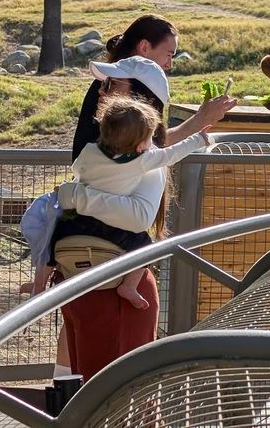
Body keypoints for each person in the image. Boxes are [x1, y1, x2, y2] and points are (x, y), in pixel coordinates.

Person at [53, 55, 182, 382]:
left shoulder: (147, 163)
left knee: (115, 401)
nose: (101, 90)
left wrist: (76, 197)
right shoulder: (103, 154)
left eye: (112, 84)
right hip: (87, 284)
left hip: (113, 295)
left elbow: (138, 217)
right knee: (93, 395)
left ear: (140, 100)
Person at [55, 92, 210, 308]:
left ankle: (40, 281)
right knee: (144, 246)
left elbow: (77, 169)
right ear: (140, 145)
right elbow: (171, 154)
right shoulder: (141, 161)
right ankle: (129, 286)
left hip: (78, 220)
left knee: (51, 238)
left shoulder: (90, 151)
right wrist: (199, 139)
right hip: (111, 227)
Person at [72, 13, 235, 160]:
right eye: (169, 54)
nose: (169, 64)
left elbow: (149, 145)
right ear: (144, 47)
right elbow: (152, 146)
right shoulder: (123, 87)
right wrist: (201, 120)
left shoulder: (118, 82)